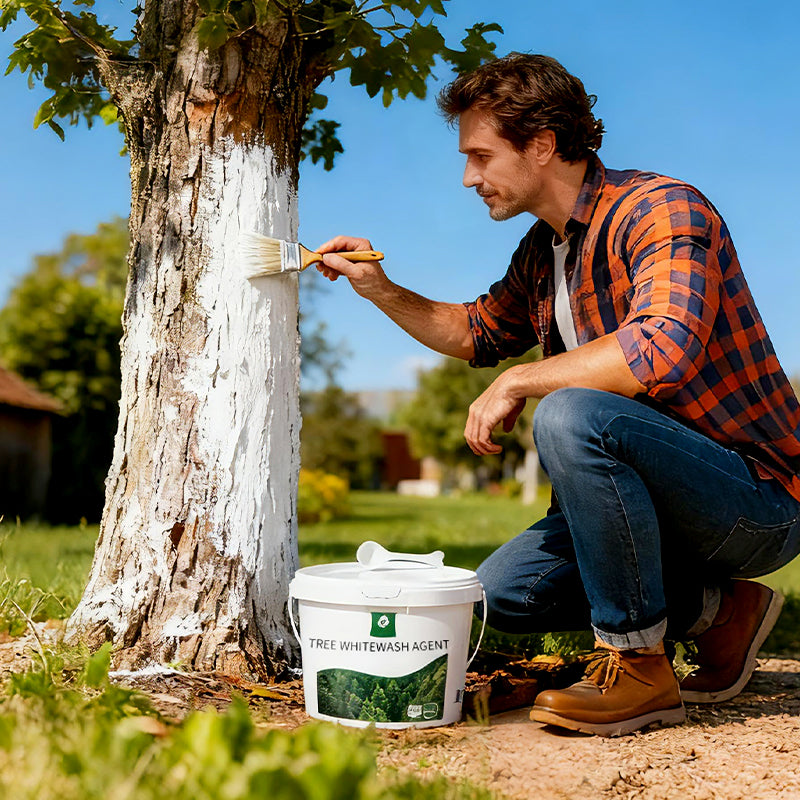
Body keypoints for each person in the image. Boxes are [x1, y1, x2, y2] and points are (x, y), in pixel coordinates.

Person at [314, 53, 800, 737]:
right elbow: (477, 331)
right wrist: (380, 288)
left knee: (572, 411)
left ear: (541, 145)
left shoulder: (663, 209)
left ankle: (636, 667)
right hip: (653, 513)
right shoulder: (543, 251)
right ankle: (721, 613)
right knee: (500, 595)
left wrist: (519, 380)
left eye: (480, 156)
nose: (468, 178)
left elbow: (660, 347)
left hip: (753, 500)